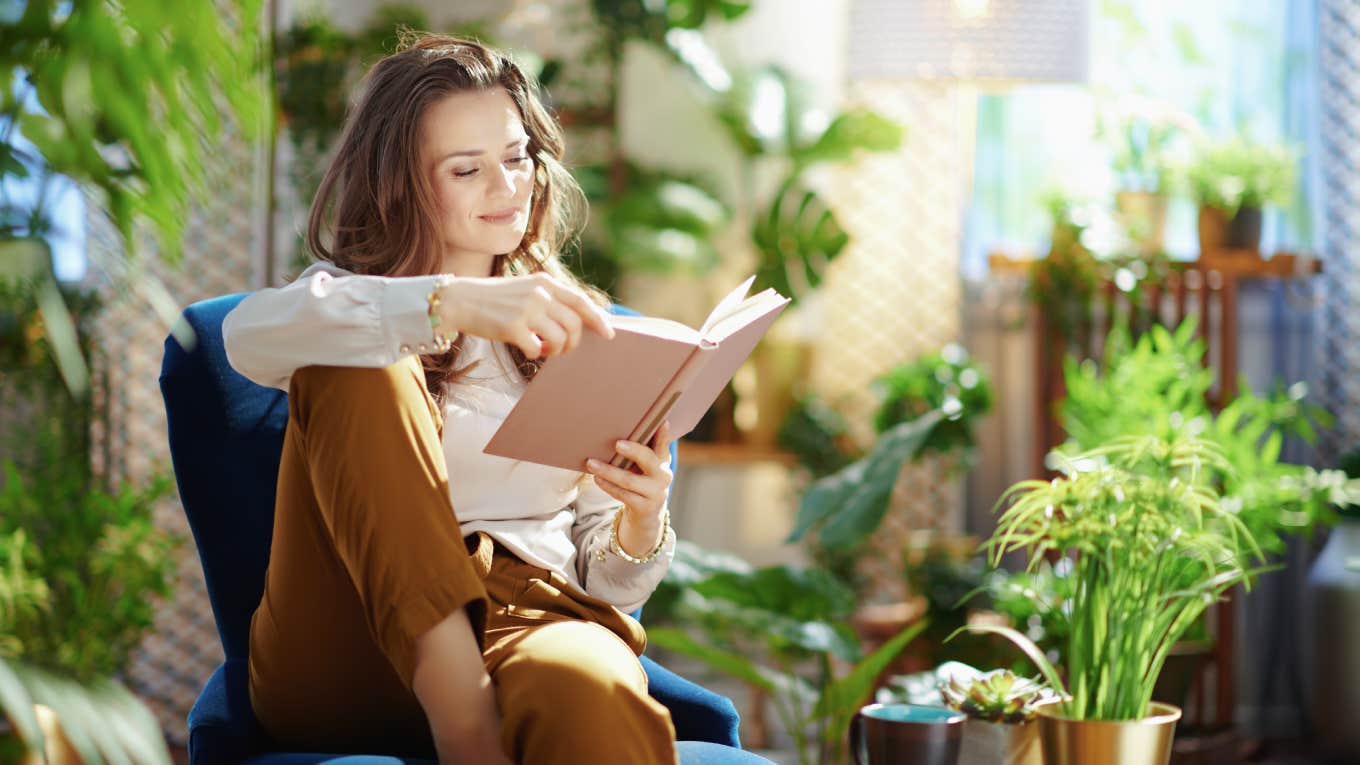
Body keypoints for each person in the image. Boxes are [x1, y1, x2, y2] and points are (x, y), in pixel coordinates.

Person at [222, 32, 681, 765]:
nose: (507, 189)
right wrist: (449, 303)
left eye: (516, 157)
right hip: (348, 640)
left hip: (527, 617)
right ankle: (463, 718)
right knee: (358, 360)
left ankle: (481, 699)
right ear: (402, 183)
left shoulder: (579, 326)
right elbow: (243, 336)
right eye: (467, 170)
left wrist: (641, 515)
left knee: (590, 685)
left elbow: (608, 583)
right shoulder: (350, 305)